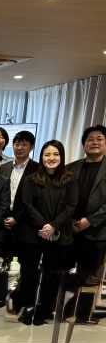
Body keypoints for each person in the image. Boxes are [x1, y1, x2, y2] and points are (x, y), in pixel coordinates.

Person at [9, 140, 78, 325]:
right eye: (47, 154)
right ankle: (27, 307)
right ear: (41, 157)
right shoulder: (32, 179)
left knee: (51, 275)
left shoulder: (70, 179)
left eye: (55, 154)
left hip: (59, 235)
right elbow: (27, 204)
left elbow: (71, 205)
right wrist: (44, 225)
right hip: (33, 233)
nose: (51, 158)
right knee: (29, 274)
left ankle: (44, 310)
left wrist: (53, 226)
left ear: (61, 157)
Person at [66, 125, 106, 321]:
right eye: (90, 139)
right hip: (69, 229)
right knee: (61, 271)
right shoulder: (70, 168)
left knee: (89, 275)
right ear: (84, 144)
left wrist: (89, 221)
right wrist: (68, 219)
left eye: (99, 139)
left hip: (97, 231)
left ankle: (82, 314)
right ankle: (59, 306)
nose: (94, 142)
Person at [0, 131, 38, 259]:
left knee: (19, 262)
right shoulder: (3, 167)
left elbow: (37, 199)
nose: (20, 148)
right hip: (2, 221)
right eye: (17, 144)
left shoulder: (38, 169)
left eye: (24, 144)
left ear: (31, 147)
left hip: (25, 224)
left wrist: (17, 218)